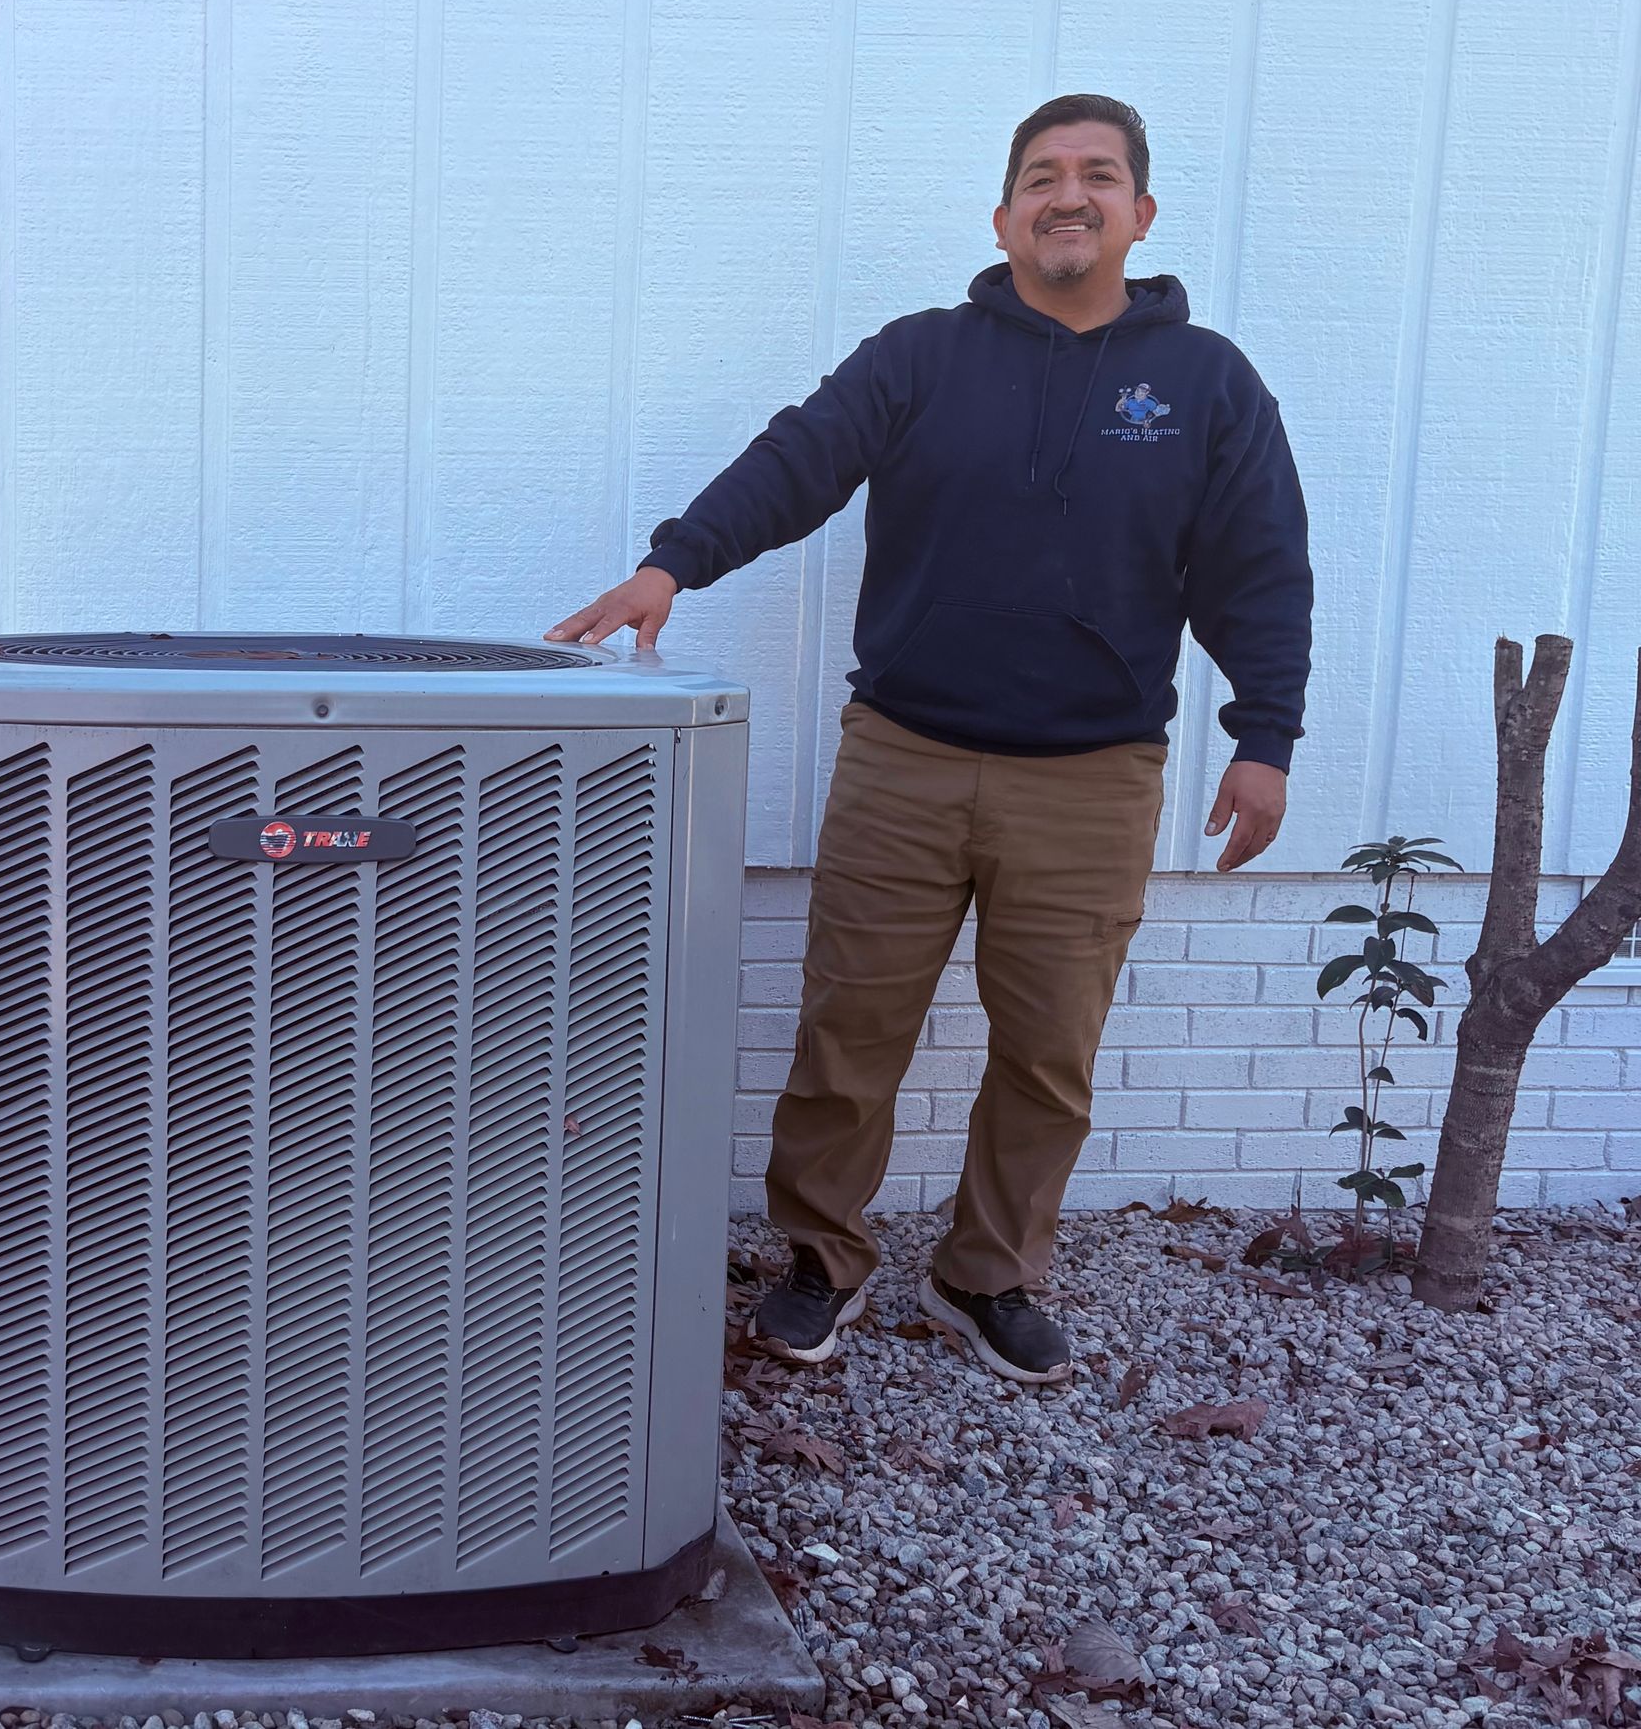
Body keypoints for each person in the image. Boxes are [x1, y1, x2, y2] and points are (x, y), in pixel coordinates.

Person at [547, 95, 1311, 1383]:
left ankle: (989, 1274)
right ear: (1004, 213)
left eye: (1099, 176)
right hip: (905, 759)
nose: (1069, 196)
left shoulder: (1208, 384)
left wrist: (1266, 736)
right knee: (850, 1034)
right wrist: (673, 564)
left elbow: (1261, 570)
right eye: (1042, 177)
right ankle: (821, 1261)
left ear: (1141, 212)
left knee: (1050, 1051)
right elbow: (799, 460)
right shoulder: (922, 356)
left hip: (1093, 775)